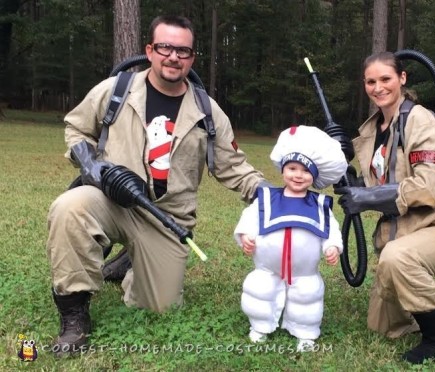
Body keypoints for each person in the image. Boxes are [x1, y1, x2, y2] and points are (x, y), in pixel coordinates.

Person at [46, 15, 269, 355]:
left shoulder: (208, 111)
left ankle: (131, 263)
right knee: (70, 207)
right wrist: (91, 165)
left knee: (160, 308)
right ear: (150, 50)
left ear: (192, 58)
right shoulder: (115, 90)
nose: (173, 56)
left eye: (183, 50)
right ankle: (75, 314)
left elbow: (233, 166)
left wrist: (270, 195)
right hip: (110, 200)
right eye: (165, 47)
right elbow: (77, 128)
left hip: (167, 218)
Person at [334, 51, 435, 364]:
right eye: (370, 81)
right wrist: (346, 177)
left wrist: (367, 199)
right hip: (401, 233)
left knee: (396, 259)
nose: (378, 87)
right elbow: (376, 186)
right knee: (382, 324)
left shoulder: (420, 120)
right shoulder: (371, 130)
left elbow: (427, 187)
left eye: (385, 79)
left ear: (402, 78)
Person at [234, 125, 348, 352]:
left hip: (304, 271)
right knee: (260, 292)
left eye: (306, 171)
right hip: (267, 267)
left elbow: (330, 227)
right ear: (283, 169)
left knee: (306, 298)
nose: (298, 175)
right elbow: (250, 217)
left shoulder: (318, 205)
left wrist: (333, 246)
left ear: (314, 177)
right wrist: (246, 236)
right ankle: (260, 326)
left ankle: (304, 331)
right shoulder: (267, 199)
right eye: (293, 168)